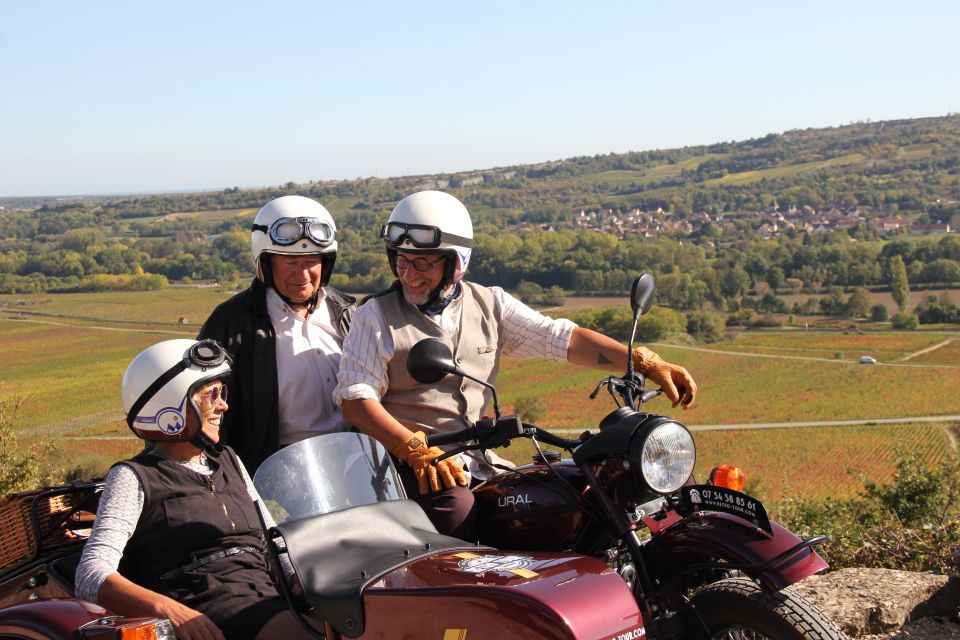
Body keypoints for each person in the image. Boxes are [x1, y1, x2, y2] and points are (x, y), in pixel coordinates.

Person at [334, 190, 698, 539]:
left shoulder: (491, 304)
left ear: (457, 262)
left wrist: (641, 361)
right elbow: (354, 396)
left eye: (423, 263)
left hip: (479, 461)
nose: (409, 273)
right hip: (408, 467)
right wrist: (412, 448)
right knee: (459, 518)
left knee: (563, 500)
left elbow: (561, 339)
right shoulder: (375, 316)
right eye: (401, 259)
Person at [76, 339, 317, 640]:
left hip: (269, 597)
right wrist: (170, 610)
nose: (223, 405)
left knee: (372, 612)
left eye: (222, 392)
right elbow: (91, 574)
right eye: (210, 395)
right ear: (171, 404)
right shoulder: (135, 476)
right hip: (211, 611)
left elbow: (274, 541)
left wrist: (301, 581)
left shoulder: (228, 459)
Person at [199, 195, 355, 473]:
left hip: (351, 458)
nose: (303, 274)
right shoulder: (231, 324)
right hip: (277, 467)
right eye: (290, 262)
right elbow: (203, 408)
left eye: (311, 261)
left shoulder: (348, 313)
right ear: (266, 264)